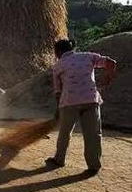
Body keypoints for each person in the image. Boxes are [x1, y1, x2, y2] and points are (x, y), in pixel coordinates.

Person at [46, 40, 117, 175]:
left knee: (65, 133)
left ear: (57, 52)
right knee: (93, 134)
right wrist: (107, 79)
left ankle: (59, 159)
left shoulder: (58, 66)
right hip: (91, 100)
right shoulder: (88, 56)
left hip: (69, 102)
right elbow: (111, 63)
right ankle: (94, 166)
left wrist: (58, 111)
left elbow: (58, 92)